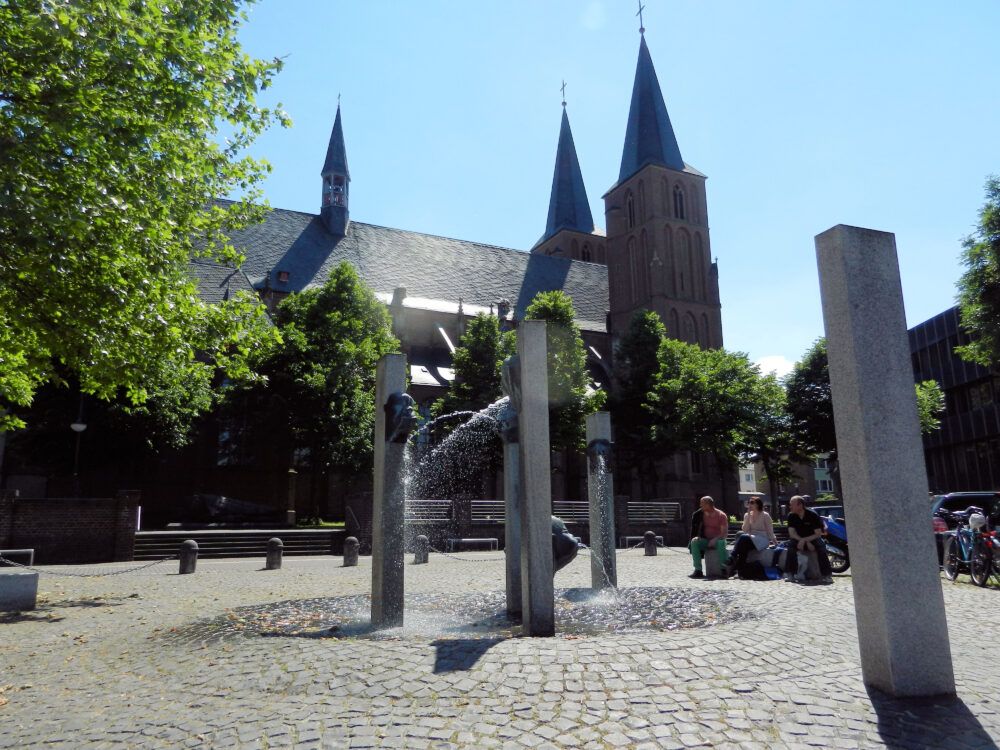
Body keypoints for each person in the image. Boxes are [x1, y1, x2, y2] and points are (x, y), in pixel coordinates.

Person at [785, 495, 833, 583]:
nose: (790, 507)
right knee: (791, 546)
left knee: (821, 546)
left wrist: (805, 540)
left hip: (812, 538)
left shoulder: (812, 515)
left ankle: (827, 575)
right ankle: (790, 573)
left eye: (792, 504)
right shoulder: (791, 516)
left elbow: (818, 534)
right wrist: (801, 540)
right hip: (798, 539)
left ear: (800, 505)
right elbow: (792, 534)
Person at [725, 496, 777, 577]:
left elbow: (770, 530)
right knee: (742, 545)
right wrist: (749, 516)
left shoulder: (765, 515)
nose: (749, 504)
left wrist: (775, 542)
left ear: (758, 504)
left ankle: (732, 558)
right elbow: (745, 530)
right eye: (748, 502)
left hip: (762, 539)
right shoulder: (747, 515)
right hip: (750, 538)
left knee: (742, 537)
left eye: (752, 502)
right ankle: (740, 571)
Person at [688, 496, 728, 578]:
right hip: (706, 540)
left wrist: (715, 539)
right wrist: (698, 536)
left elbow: (724, 533)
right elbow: (697, 528)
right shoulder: (700, 515)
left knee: (721, 543)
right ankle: (698, 570)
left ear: (708, 505)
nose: (700, 505)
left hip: (718, 540)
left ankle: (723, 570)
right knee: (694, 542)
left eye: (702, 504)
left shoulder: (721, 515)